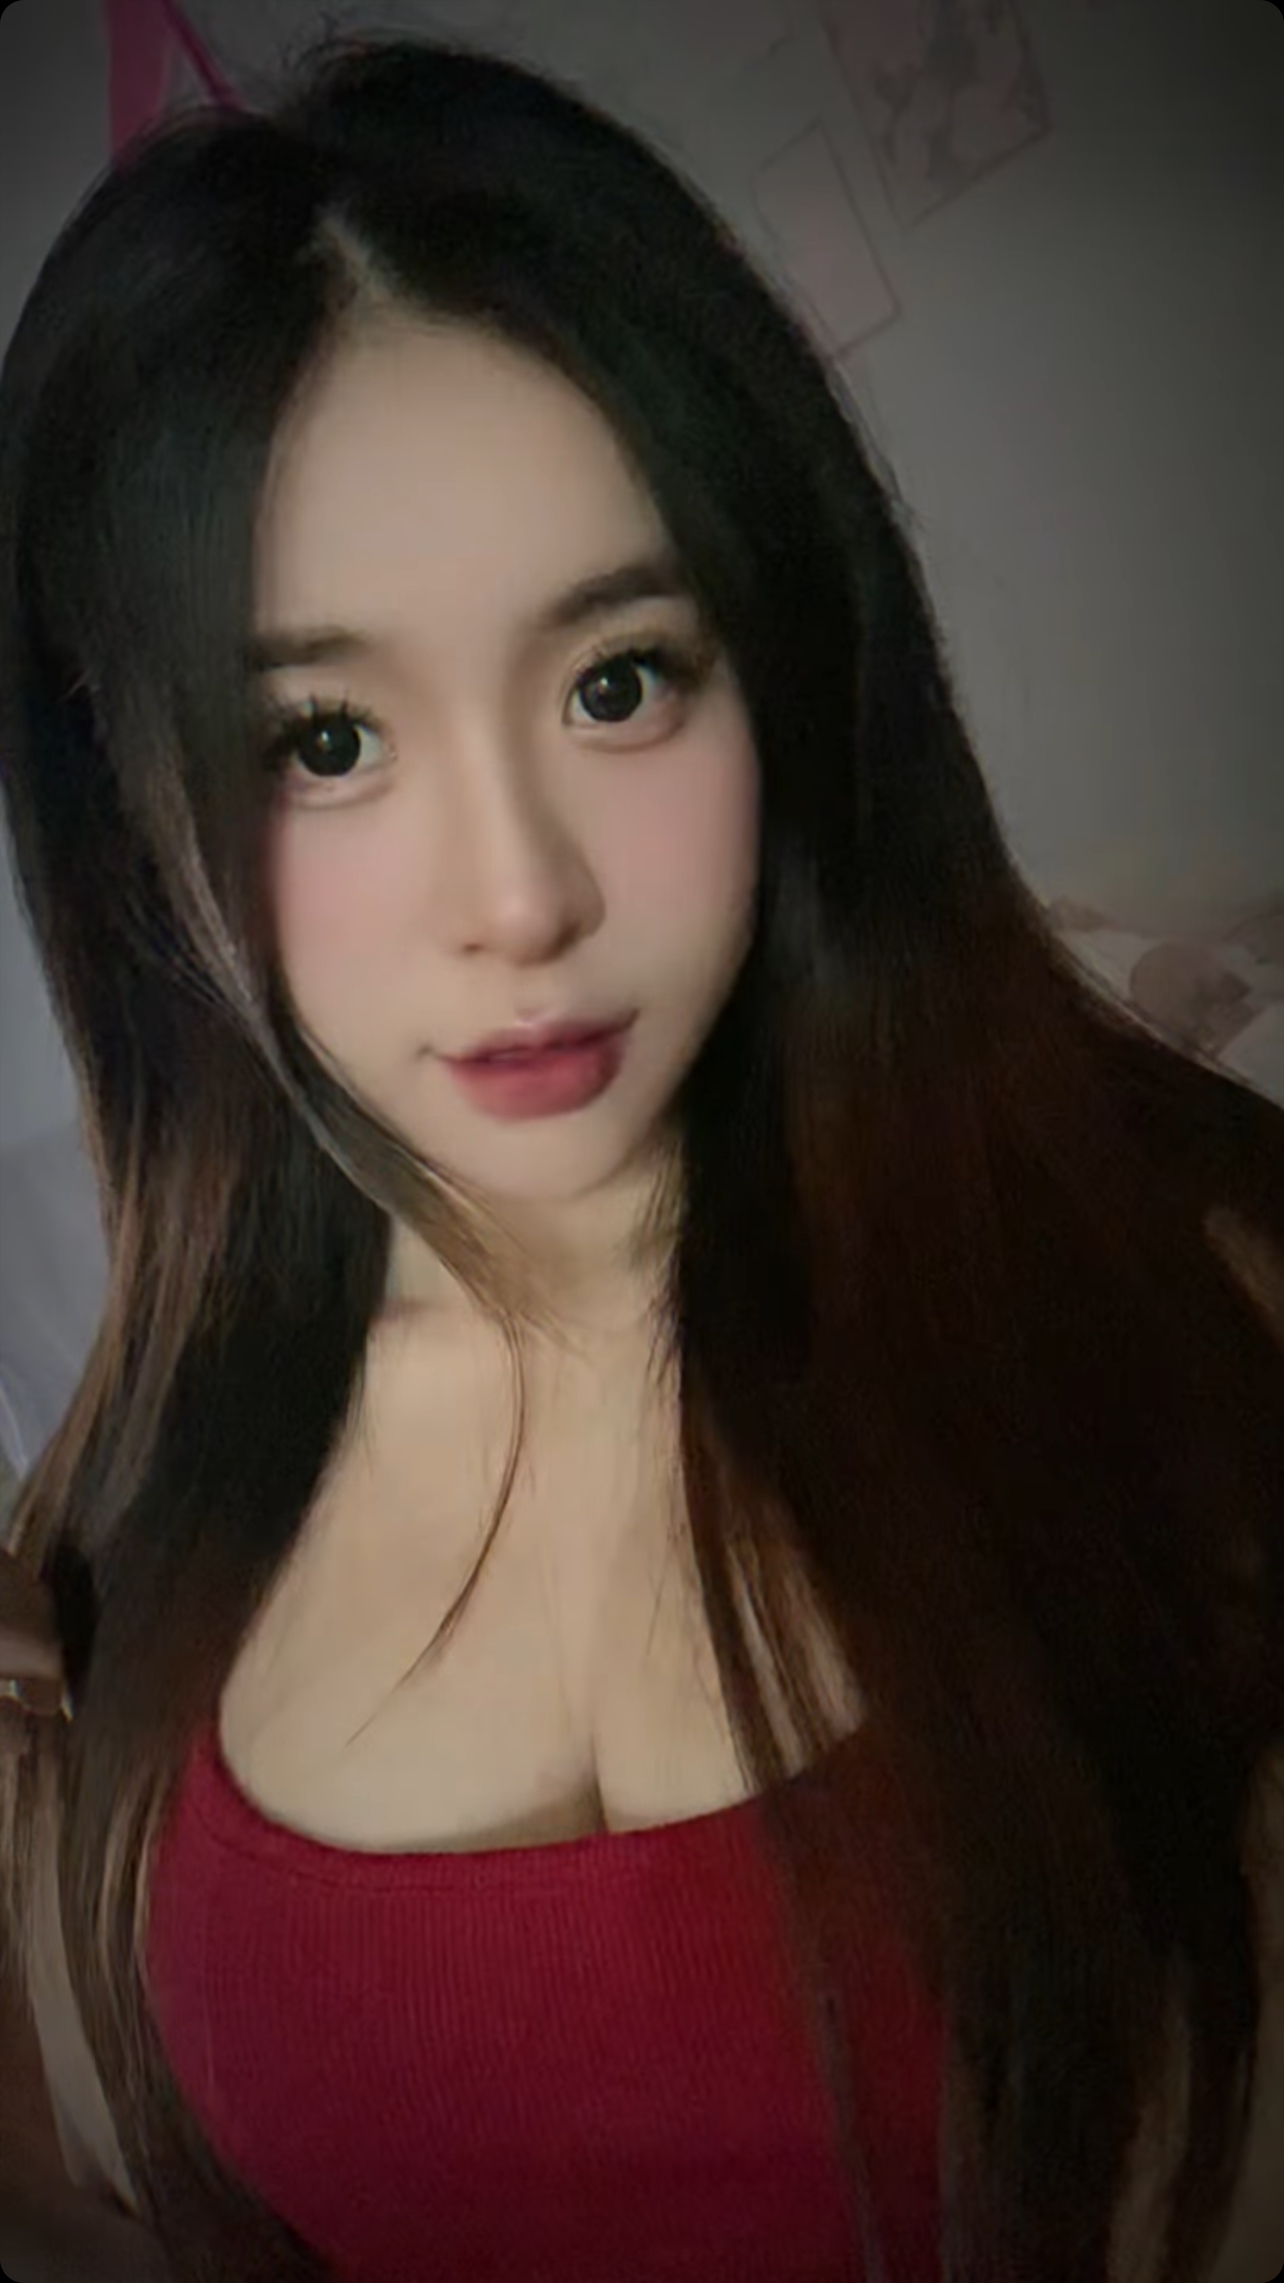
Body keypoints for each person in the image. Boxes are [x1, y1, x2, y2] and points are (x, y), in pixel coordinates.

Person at [1, 28, 1282, 2283]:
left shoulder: (1174, 1295)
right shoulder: (124, 1509)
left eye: (618, 681)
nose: (521, 896)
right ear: (138, 817)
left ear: (783, 659)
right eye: (325, 739)